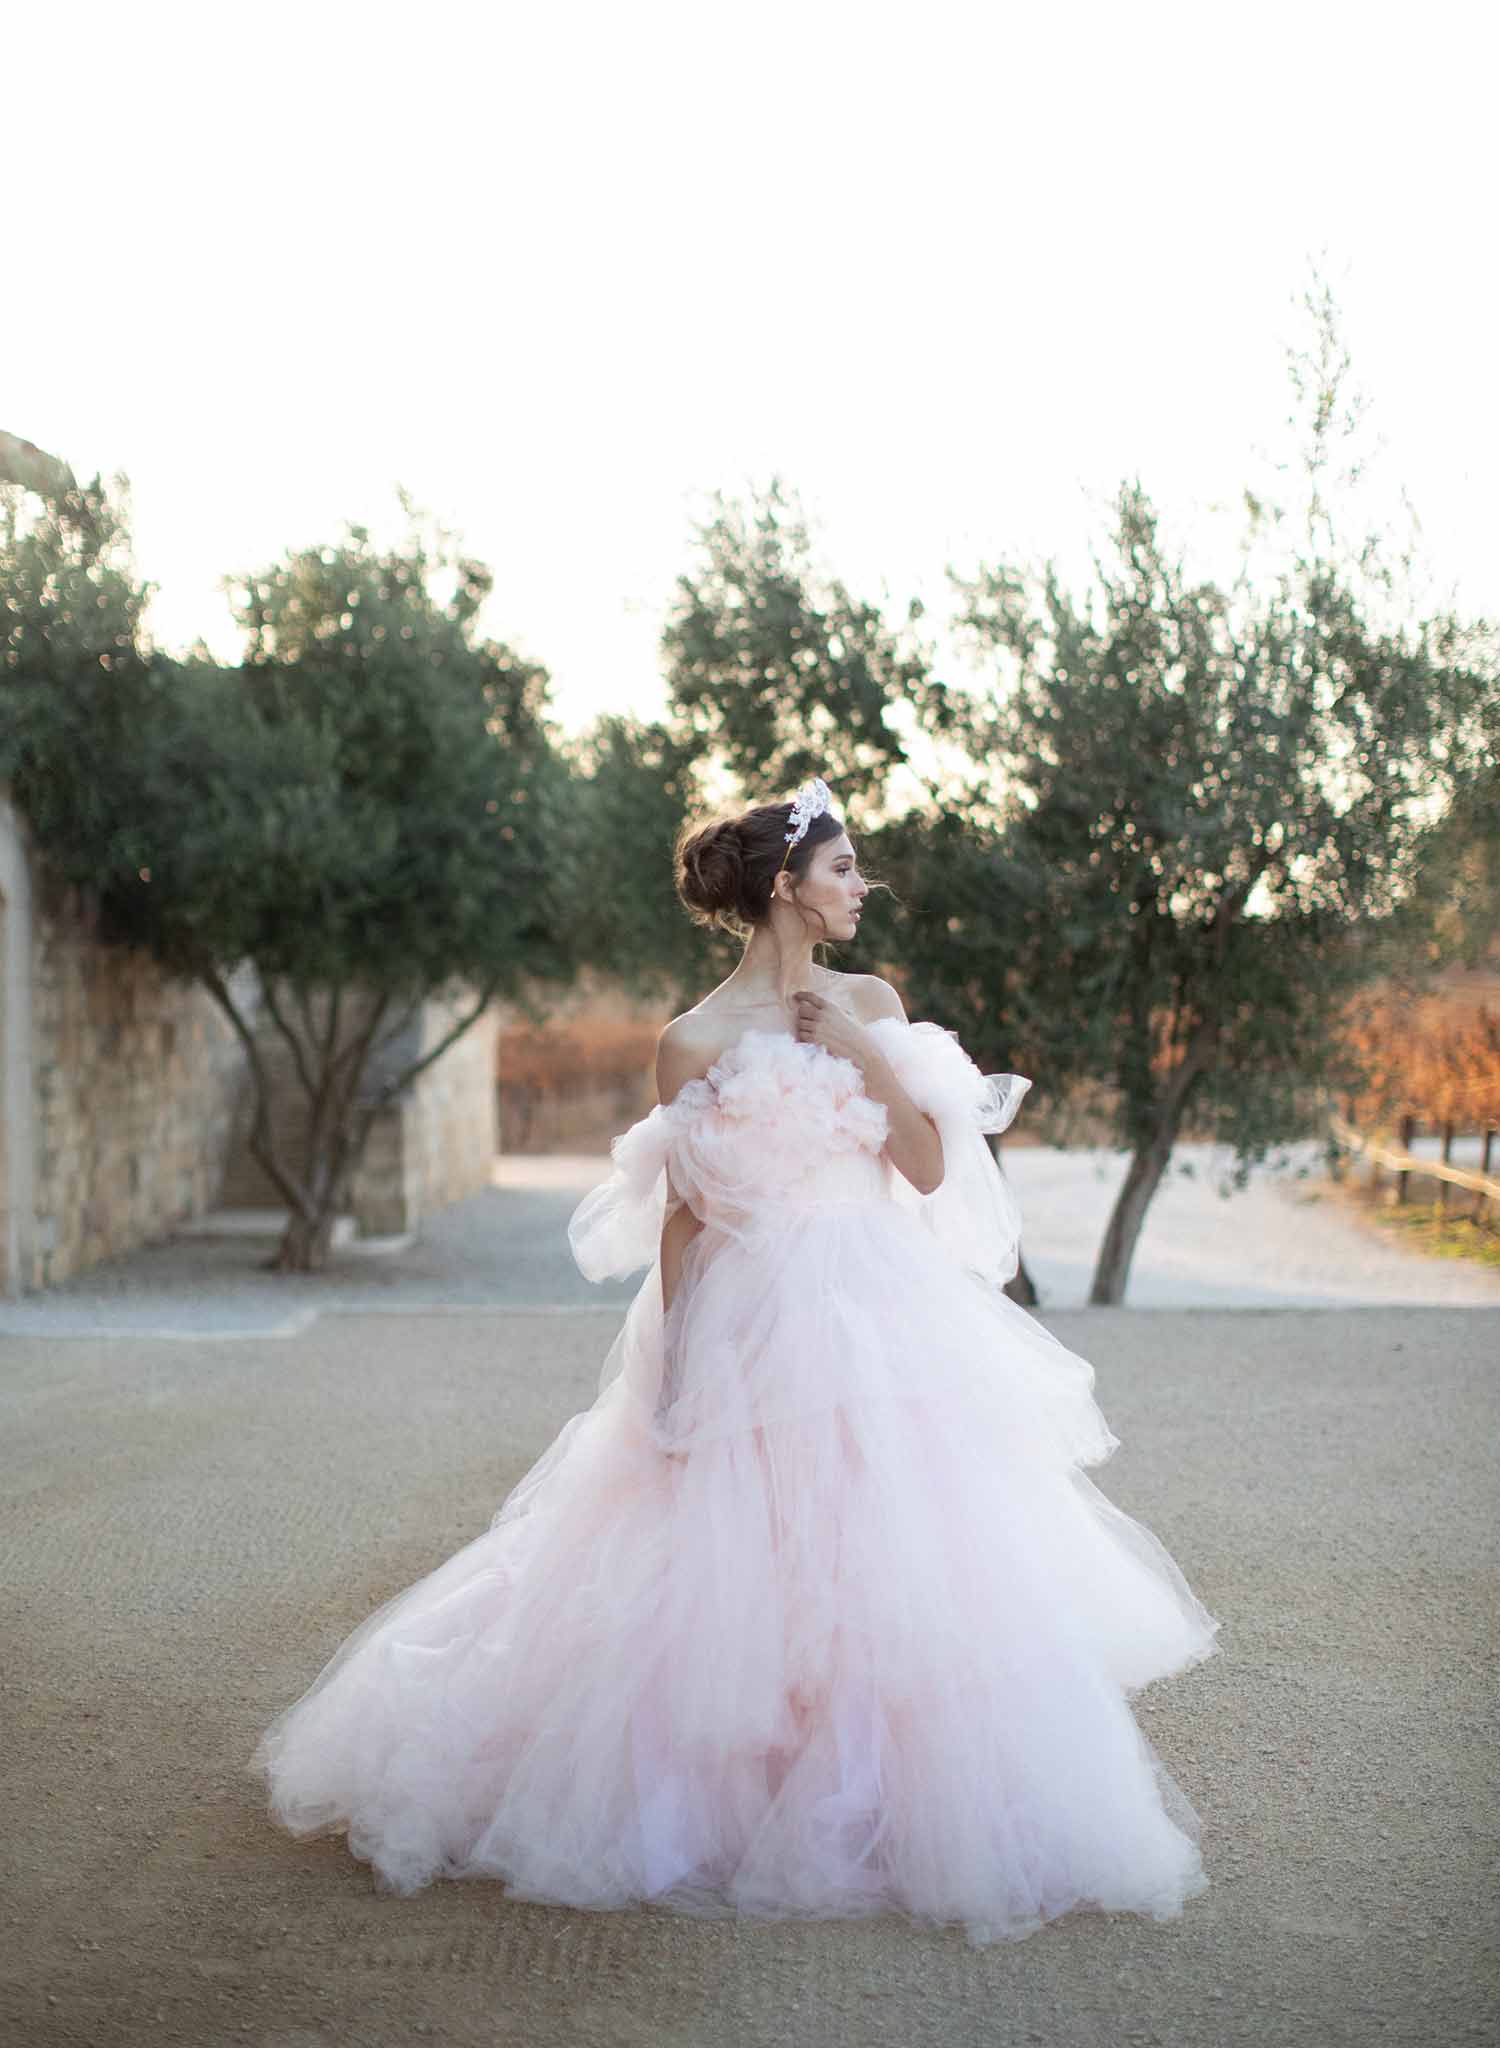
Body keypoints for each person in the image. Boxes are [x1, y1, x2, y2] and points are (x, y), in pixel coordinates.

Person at [249, 776, 1222, 1947]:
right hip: (750, 1318)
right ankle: (740, 1795)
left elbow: (923, 1169)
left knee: (900, 1553)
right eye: (846, 868)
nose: (863, 887)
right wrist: (673, 1367)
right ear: (785, 885)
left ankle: (881, 1795)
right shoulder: (691, 1040)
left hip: (879, 1315)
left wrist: (862, 1046)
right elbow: (686, 1216)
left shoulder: (871, 999)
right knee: (733, 1562)